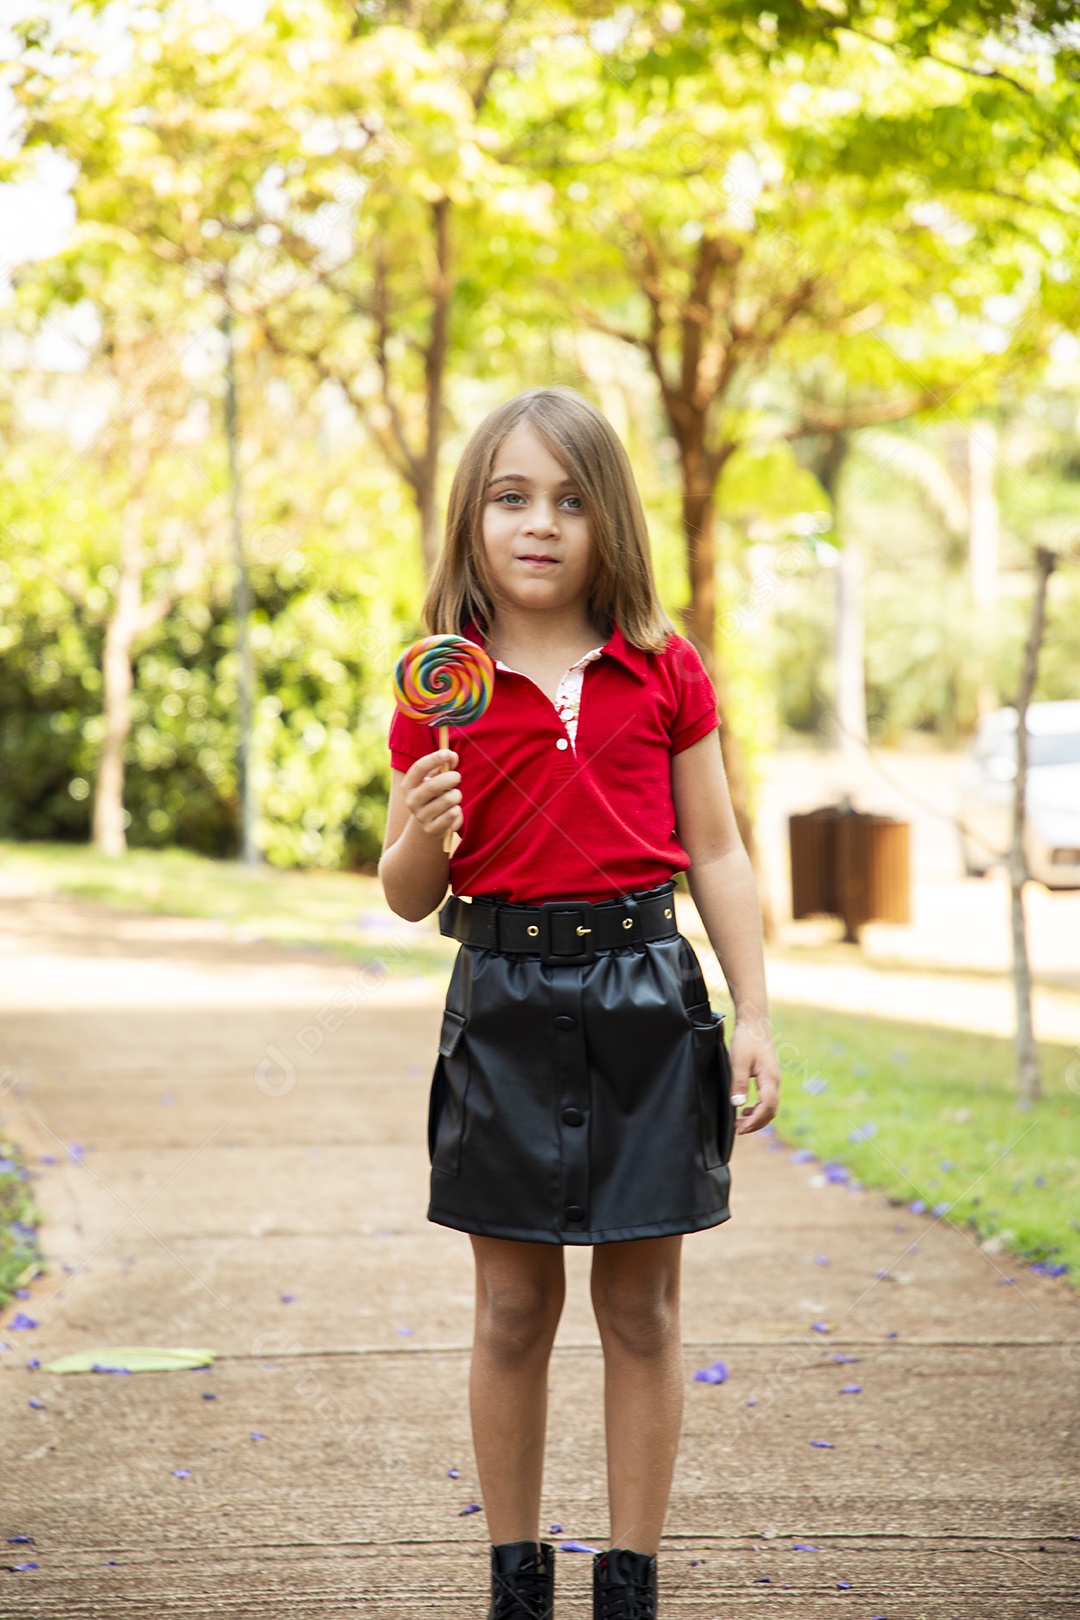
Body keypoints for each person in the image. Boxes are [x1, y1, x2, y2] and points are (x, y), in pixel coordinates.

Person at [379, 387, 780, 1620]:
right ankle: (515, 1581)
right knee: (510, 1305)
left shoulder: (663, 666)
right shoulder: (441, 684)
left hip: (648, 1000)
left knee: (644, 1305)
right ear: (472, 520)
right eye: (511, 498)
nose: (539, 524)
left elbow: (715, 850)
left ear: (610, 522)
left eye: (568, 500)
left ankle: (631, 1580)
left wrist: (752, 1014)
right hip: (499, 998)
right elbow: (405, 895)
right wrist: (422, 830)